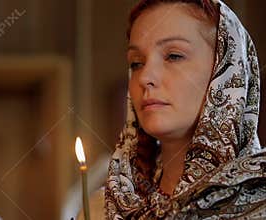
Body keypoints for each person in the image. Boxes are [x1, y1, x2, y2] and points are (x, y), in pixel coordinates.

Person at [105, 0, 266, 219]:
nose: (145, 77)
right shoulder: (103, 206)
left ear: (227, 71)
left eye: (174, 56)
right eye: (136, 63)